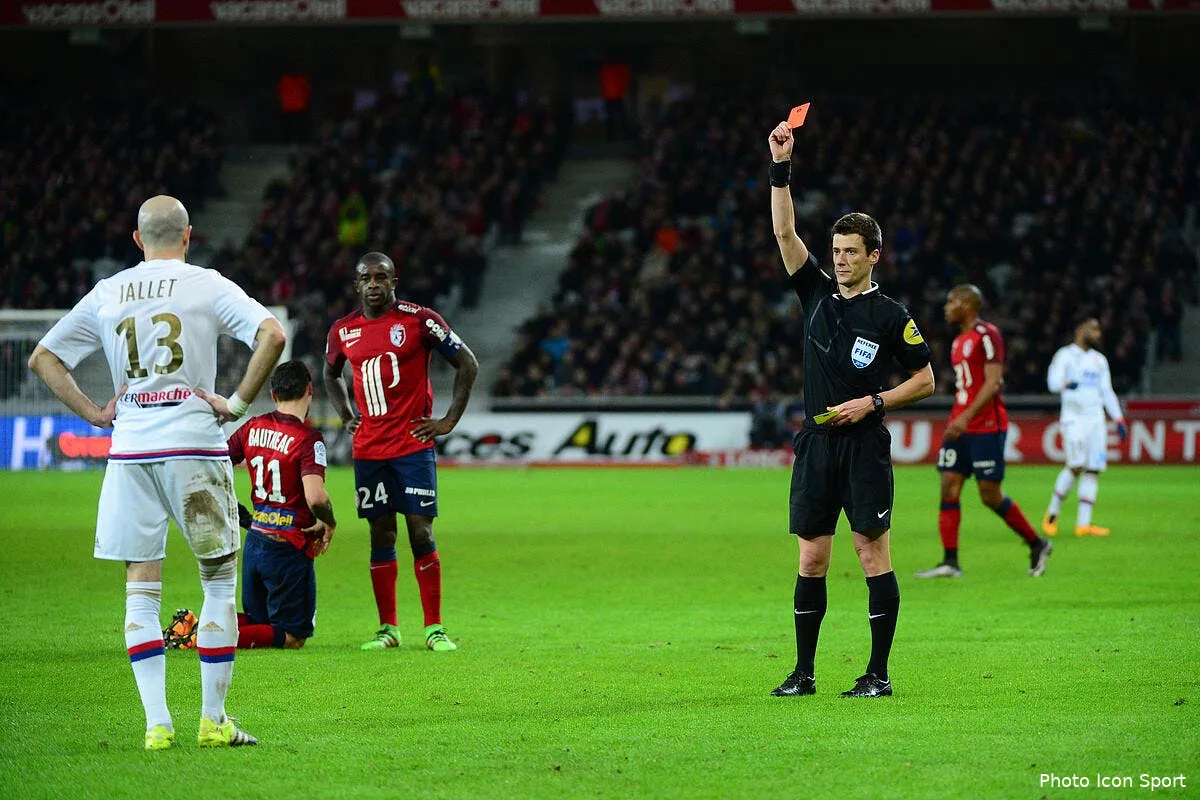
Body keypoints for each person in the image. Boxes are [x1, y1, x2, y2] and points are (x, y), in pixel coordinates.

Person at [27, 195, 285, 750]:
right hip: (194, 444)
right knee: (217, 582)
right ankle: (214, 721)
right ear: (188, 236)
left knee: (141, 590)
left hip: (131, 451)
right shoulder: (208, 284)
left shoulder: (108, 290)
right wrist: (237, 404)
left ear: (137, 239)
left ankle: (156, 726)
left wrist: (99, 413)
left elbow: (43, 358)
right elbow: (273, 335)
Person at [766, 121, 936, 699]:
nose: (838, 260)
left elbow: (927, 379)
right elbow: (785, 232)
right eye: (835, 251)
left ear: (873, 256)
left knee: (871, 554)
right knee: (811, 559)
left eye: (849, 252)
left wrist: (875, 401)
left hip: (864, 445)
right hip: (815, 444)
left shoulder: (890, 315)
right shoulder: (813, 294)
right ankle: (803, 673)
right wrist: (781, 168)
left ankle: (878, 675)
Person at [324, 252, 478, 652]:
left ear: (394, 281)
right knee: (380, 531)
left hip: (412, 445)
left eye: (381, 277)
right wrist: (346, 415)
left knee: (420, 529)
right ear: (356, 285)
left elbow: (468, 364)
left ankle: (434, 628)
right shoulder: (342, 330)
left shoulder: (420, 319)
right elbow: (329, 372)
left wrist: (447, 422)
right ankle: (388, 628)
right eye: (366, 278)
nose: (373, 284)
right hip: (370, 449)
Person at [165, 361, 337, 650]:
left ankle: (199, 626)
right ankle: (201, 637)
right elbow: (316, 497)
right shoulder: (308, 439)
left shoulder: (252, 427)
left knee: (261, 620)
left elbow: (215, 465)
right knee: (293, 635)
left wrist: (239, 512)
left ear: (273, 394)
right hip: (288, 547)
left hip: (256, 542)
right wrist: (329, 521)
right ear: (310, 390)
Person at [914, 285, 1053, 580]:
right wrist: (959, 419)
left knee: (989, 495)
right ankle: (950, 561)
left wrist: (964, 418)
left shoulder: (987, 335)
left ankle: (1037, 543)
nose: (946, 306)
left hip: (986, 426)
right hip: (960, 425)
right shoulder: (958, 341)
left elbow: (993, 383)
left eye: (952, 301)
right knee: (948, 485)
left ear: (967, 304)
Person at [1041, 318, 1128, 537]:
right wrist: (1066, 383)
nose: (1098, 334)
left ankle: (1084, 525)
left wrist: (1118, 419)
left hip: (1096, 419)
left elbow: (1107, 392)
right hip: (1074, 419)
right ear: (1081, 330)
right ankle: (1052, 513)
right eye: (1094, 329)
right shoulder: (1065, 356)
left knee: (1093, 468)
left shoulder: (1099, 360)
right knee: (1076, 464)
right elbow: (1052, 383)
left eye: (1099, 330)